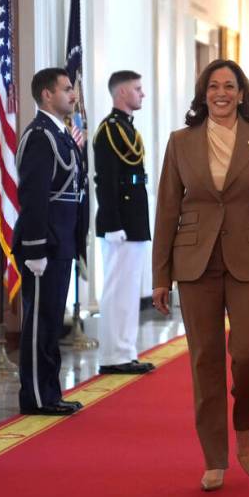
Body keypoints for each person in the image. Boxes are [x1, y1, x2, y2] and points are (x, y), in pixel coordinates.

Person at [152, 59, 249, 492]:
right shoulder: (180, 142)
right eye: (213, 86)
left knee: (248, 351)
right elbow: (167, 209)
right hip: (195, 261)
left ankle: (245, 421)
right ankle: (214, 458)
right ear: (203, 93)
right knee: (205, 361)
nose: (221, 93)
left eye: (229, 86)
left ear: (242, 93)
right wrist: (161, 276)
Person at [12, 67, 89, 416]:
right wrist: (36, 248)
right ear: (47, 94)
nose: (73, 95)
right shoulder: (40, 136)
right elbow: (34, 196)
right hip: (44, 245)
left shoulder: (61, 136)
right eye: (67, 89)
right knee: (39, 324)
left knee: (51, 323)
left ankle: (50, 392)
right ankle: (37, 397)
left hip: (62, 243)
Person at [93, 70, 155, 375]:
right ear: (121, 94)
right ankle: (112, 355)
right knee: (117, 289)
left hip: (134, 217)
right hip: (119, 222)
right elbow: (105, 181)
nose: (142, 94)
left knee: (129, 289)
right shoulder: (108, 131)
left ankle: (126, 351)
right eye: (137, 89)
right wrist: (112, 222)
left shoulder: (128, 129)